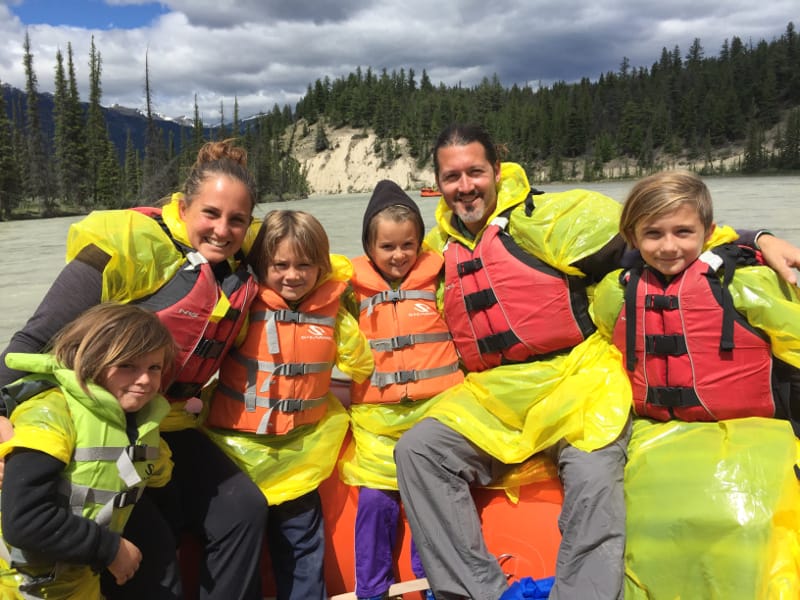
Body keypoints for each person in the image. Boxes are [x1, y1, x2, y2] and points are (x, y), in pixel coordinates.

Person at [393, 123, 800, 600]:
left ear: (497, 171)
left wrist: (760, 238)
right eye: (452, 176)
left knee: (593, 476)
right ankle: (476, 593)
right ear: (437, 184)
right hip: (497, 393)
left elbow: (663, 234)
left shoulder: (551, 219)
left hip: (578, 380)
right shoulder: (442, 250)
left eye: (475, 172)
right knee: (418, 451)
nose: (465, 187)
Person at [0, 139, 268, 600]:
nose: (223, 230)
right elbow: (32, 340)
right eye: (210, 213)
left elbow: (308, 256)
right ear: (182, 207)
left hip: (166, 425)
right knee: (153, 546)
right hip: (100, 427)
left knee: (243, 508)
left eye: (237, 220)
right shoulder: (128, 248)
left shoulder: (242, 264)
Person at [591, 169, 800, 598]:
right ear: (632, 237)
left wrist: (757, 238)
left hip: (749, 433)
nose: (669, 246)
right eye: (653, 234)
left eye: (683, 232)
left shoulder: (744, 283)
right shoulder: (616, 292)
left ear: (707, 232)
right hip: (653, 435)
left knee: (748, 521)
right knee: (641, 526)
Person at [203, 210, 374, 600]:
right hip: (235, 454)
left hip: (298, 455)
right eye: (280, 265)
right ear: (262, 264)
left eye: (305, 265)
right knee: (240, 545)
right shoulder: (242, 309)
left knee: (303, 546)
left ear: (321, 268)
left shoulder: (334, 317)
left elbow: (360, 364)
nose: (292, 275)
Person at [339, 180, 463, 600]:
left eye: (408, 245)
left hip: (435, 415)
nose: (398, 256)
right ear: (369, 247)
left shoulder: (437, 280)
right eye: (387, 247)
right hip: (377, 422)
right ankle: (371, 590)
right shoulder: (349, 289)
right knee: (375, 503)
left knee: (431, 502)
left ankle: (433, 588)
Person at [0, 303, 175, 599]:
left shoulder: (140, 425)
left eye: (154, 368)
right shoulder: (50, 415)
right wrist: (110, 549)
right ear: (90, 361)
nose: (144, 379)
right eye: (127, 365)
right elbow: (24, 522)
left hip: (79, 581)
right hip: (23, 587)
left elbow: (159, 477)